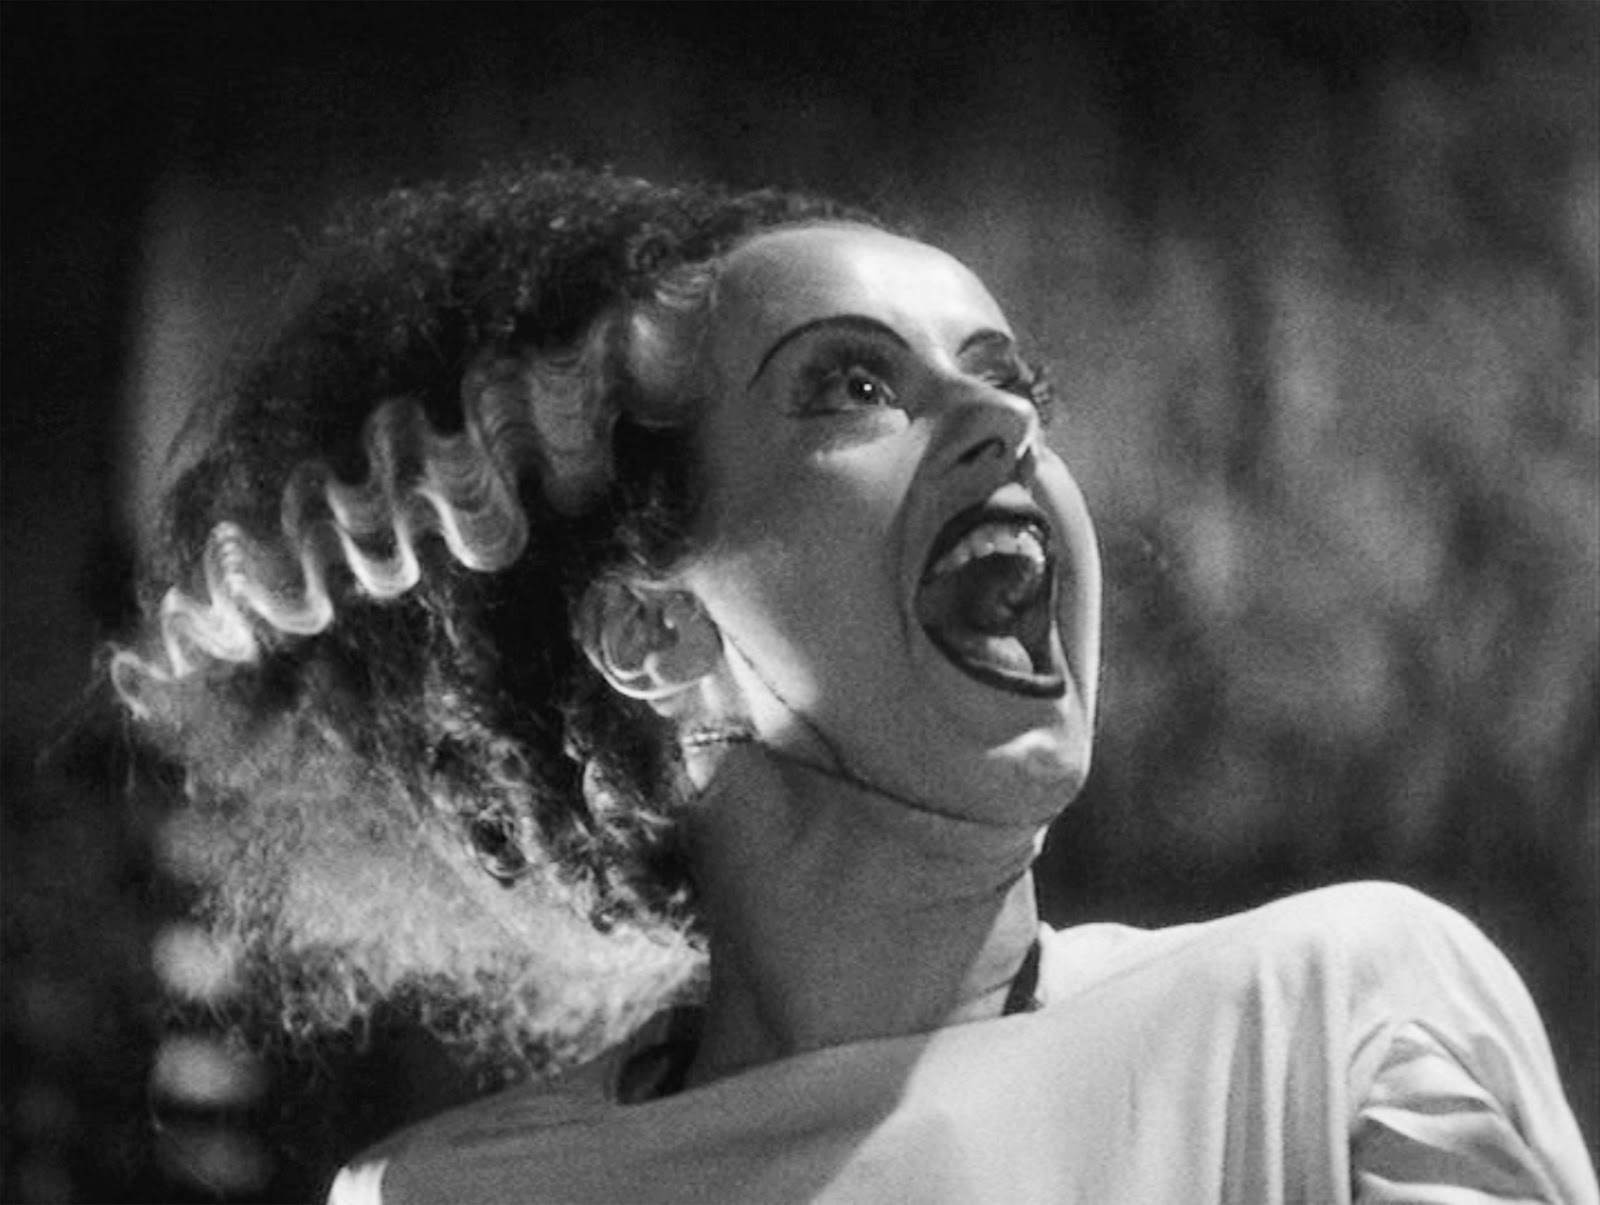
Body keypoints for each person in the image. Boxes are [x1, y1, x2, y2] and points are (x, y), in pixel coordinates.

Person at [114, 166, 1596, 1204]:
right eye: (856, 385)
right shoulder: (449, 1198)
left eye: (1010, 378)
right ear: (653, 630)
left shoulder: (1337, 1025)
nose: (1003, 421)